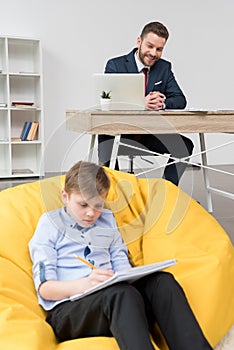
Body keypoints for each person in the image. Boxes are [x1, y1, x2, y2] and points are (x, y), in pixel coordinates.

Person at [29, 161, 212, 350]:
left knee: (162, 282)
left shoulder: (107, 220)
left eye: (98, 205)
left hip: (119, 302)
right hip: (69, 311)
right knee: (121, 295)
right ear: (65, 196)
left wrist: (129, 276)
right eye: (83, 204)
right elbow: (45, 288)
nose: (91, 213)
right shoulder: (50, 223)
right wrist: (85, 284)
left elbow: (120, 260)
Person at [98, 21, 194, 186]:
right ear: (139, 42)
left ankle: (166, 190)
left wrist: (162, 103)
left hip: (149, 133)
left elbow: (180, 99)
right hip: (118, 133)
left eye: (159, 49)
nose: (153, 53)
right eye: (150, 46)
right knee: (105, 139)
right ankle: (111, 193)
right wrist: (140, 102)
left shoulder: (164, 67)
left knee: (184, 145)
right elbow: (107, 100)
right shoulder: (115, 65)